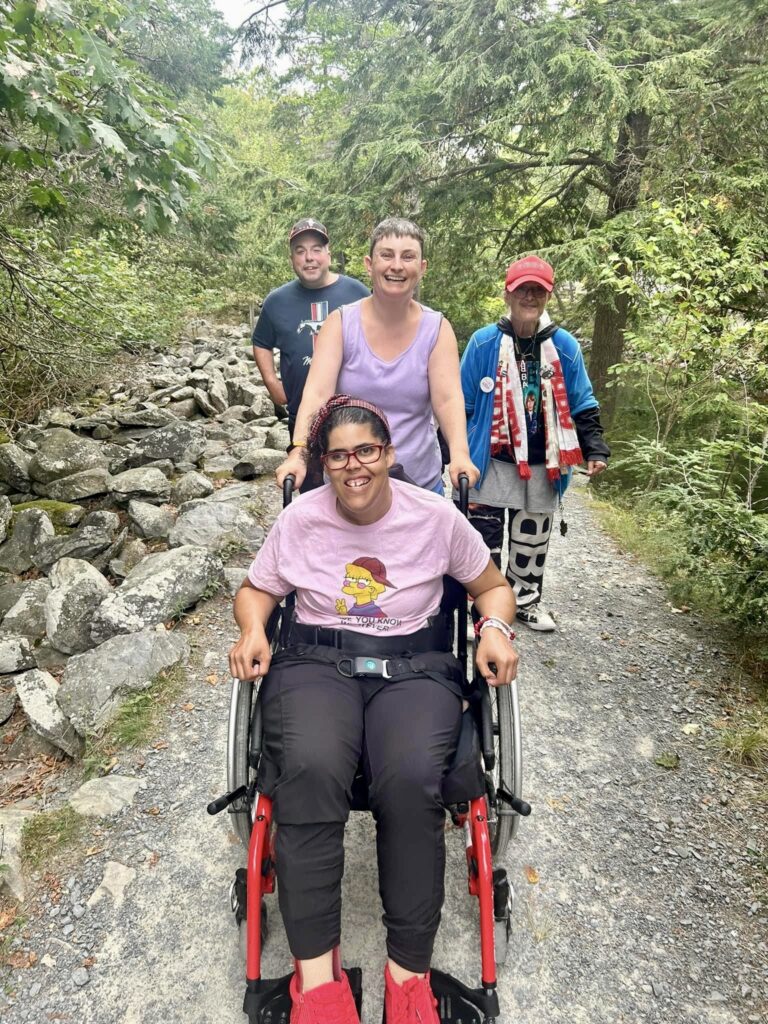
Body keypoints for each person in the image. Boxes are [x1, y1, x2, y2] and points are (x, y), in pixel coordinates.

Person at [229, 395, 518, 1024]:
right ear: (322, 464)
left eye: (366, 451)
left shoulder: (435, 518)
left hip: (414, 670)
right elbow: (256, 589)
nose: (353, 466)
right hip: (315, 664)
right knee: (306, 767)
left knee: (413, 778)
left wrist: (494, 626)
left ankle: (408, 979)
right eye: (338, 456)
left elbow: (491, 585)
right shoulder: (301, 521)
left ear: (388, 454)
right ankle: (318, 984)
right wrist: (254, 629)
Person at [460, 255, 610, 632]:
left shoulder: (563, 345)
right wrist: (456, 454)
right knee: (483, 538)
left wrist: (594, 447)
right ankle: (479, 605)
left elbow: (582, 401)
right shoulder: (483, 342)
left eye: (538, 290)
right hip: (491, 459)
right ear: (508, 293)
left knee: (531, 540)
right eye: (523, 289)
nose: (530, 296)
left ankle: (525, 602)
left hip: (545, 462)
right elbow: (460, 403)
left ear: (547, 295)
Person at [275, 217, 478, 495]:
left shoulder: (437, 329)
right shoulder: (340, 324)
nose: (397, 265)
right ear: (369, 265)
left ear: (422, 268)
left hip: (418, 484)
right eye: (387, 255)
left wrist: (460, 454)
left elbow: (447, 399)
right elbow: (317, 394)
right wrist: (299, 452)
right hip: (349, 482)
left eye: (408, 257)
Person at [252, 218, 369, 479]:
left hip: (353, 413)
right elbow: (261, 342)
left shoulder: (357, 293)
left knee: (355, 488)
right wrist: (272, 382)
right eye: (300, 251)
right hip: (303, 415)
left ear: (328, 253)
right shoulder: (277, 301)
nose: (309, 258)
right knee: (311, 489)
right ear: (292, 257)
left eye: (316, 249)